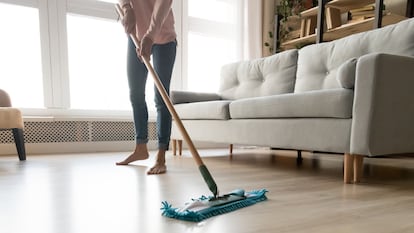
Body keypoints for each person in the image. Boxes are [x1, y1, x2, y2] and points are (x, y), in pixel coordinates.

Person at [116, 0, 177, 175]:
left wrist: (150, 35)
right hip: (136, 36)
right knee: (135, 93)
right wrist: (127, 8)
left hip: (164, 38)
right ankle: (140, 147)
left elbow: (163, 4)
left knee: (161, 96)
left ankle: (161, 155)